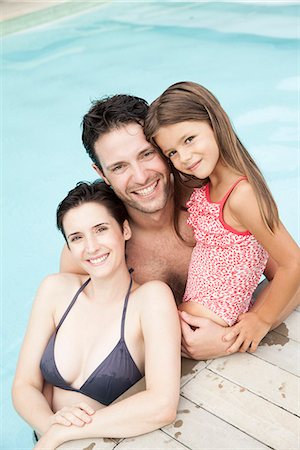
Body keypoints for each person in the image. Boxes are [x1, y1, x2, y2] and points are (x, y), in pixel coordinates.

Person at [60, 93, 299, 359]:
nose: (140, 177)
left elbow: (291, 274)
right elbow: (76, 343)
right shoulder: (96, 247)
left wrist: (235, 337)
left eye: (146, 154)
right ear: (101, 174)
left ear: (163, 148)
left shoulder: (212, 202)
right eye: (119, 167)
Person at [12, 181, 181, 450]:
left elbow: (162, 404)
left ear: (124, 230)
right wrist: (49, 430)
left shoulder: (150, 299)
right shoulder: (55, 290)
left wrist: (63, 434)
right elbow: (23, 385)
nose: (91, 247)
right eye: (77, 237)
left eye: (100, 230)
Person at [144, 81, 300, 353]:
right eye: (172, 152)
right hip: (191, 324)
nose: (184, 157)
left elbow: (293, 262)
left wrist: (261, 321)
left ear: (214, 122)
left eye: (189, 139)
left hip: (209, 331)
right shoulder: (204, 187)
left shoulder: (240, 196)